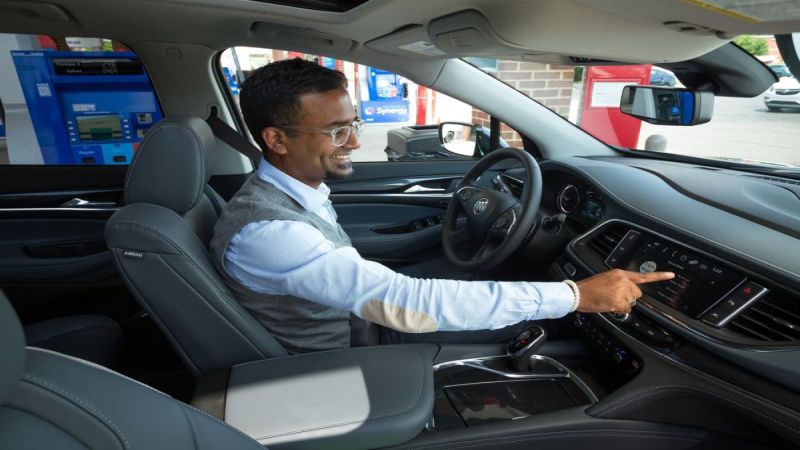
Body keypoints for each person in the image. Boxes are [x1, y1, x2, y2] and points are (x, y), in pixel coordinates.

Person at [209, 58, 674, 354]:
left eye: (354, 124)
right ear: (277, 140)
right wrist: (575, 296)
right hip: (348, 354)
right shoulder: (270, 232)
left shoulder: (292, 193)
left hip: (353, 321)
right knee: (548, 324)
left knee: (481, 277)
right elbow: (408, 305)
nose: (352, 141)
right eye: (336, 131)